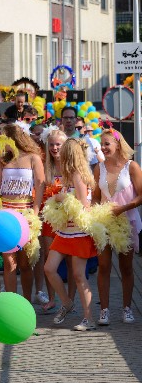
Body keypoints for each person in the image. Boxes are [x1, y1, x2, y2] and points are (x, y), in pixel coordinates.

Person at [44, 138, 98, 331]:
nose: (59, 154)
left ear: (70, 155)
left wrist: (61, 197)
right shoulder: (68, 176)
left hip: (79, 231)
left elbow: (84, 205)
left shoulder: (77, 175)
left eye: (64, 152)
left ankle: (89, 318)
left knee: (78, 275)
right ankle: (67, 303)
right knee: (49, 268)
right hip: (65, 231)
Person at [93, 128, 142, 325]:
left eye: (107, 143)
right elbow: (96, 196)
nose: (103, 147)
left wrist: (123, 208)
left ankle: (127, 308)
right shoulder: (99, 168)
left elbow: (140, 196)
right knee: (103, 266)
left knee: (126, 267)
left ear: (117, 144)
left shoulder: (132, 167)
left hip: (126, 221)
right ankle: (104, 311)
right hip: (104, 222)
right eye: (102, 144)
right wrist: (94, 212)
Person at [0, 123, 45, 300]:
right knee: (9, 262)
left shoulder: (33, 158)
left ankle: (27, 301)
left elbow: (40, 184)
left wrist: (35, 211)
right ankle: (11, 301)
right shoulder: (2, 161)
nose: (2, 143)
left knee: (25, 262)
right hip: (6, 214)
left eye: (4, 139)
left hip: (26, 212)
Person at [39, 127, 75, 313]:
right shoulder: (46, 167)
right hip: (50, 221)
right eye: (51, 144)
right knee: (48, 260)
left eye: (58, 144)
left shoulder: (72, 167)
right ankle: (53, 298)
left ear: (65, 145)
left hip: (70, 221)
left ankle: (71, 299)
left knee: (71, 261)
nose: (54, 148)